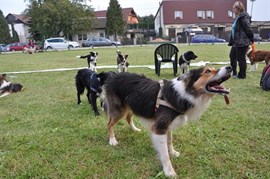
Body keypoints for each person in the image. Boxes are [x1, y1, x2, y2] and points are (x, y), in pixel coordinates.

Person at [228, 1, 254, 79]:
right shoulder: (238, 17)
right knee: (232, 56)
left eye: (234, 8)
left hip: (242, 41)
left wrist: (251, 37)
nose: (233, 10)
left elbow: (248, 28)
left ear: (238, 8)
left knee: (240, 58)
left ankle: (242, 75)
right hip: (236, 42)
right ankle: (234, 72)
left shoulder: (243, 17)